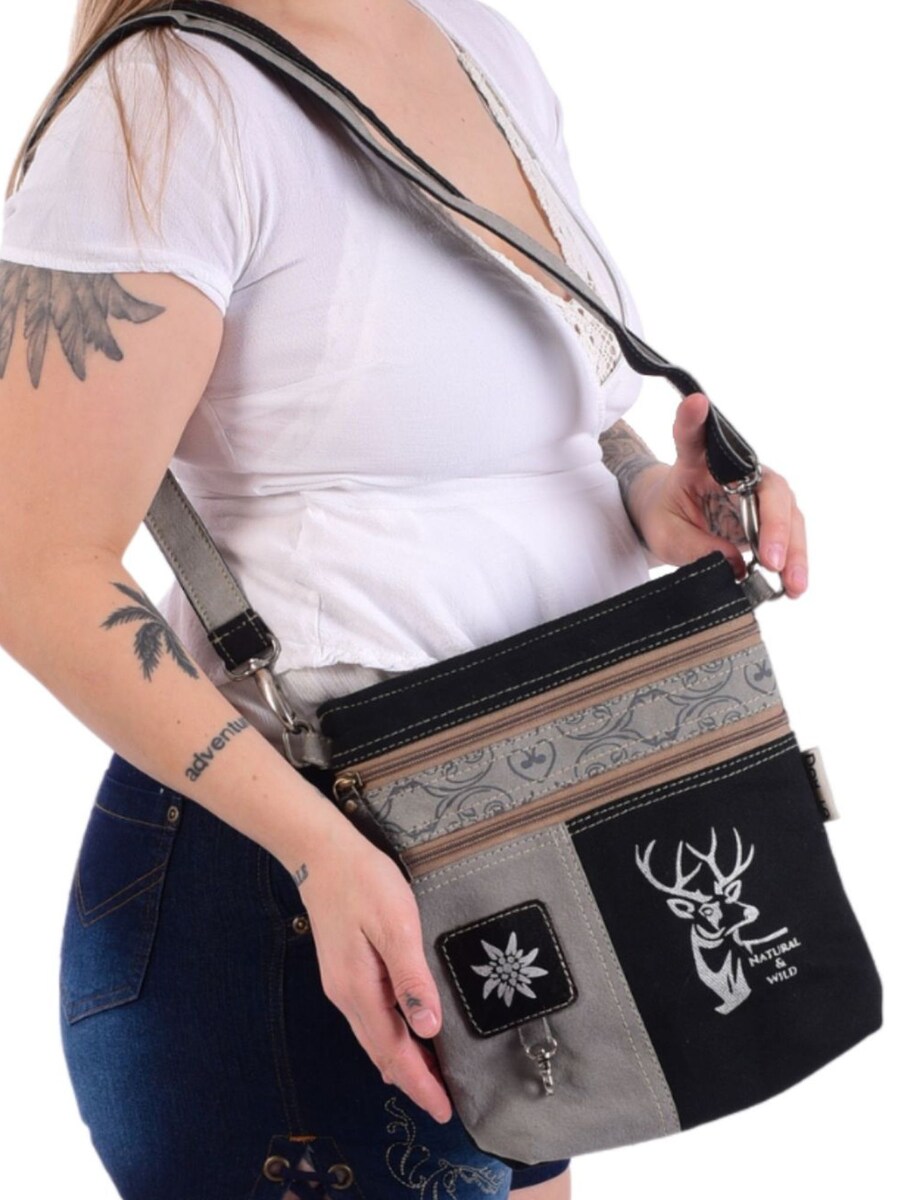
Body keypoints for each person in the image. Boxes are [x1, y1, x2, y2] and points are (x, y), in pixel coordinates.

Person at [0, 0, 807, 1196]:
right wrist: (321, 855)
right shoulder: (168, 102)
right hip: (306, 897)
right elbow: (31, 565)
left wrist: (650, 495)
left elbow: (534, 414)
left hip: (526, 852)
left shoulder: (473, 38)